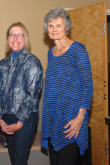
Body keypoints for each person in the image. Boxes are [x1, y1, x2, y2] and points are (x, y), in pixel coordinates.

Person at [41, 8, 93, 165]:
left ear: (67, 27)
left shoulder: (78, 50)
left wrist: (80, 118)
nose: (54, 29)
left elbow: (87, 86)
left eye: (58, 25)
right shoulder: (51, 52)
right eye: (50, 25)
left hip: (72, 121)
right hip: (53, 120)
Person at [0, 22, 44, 165]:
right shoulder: (3, 63)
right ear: (7, 39)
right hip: (6, 118)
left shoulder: (32, 61)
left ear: (25, 38)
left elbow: (31, 95)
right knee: (14, 159)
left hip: (25, 119)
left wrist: (20, 123)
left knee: (20, 160)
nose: (15, 38)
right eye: (11, 35)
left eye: (19, 35)